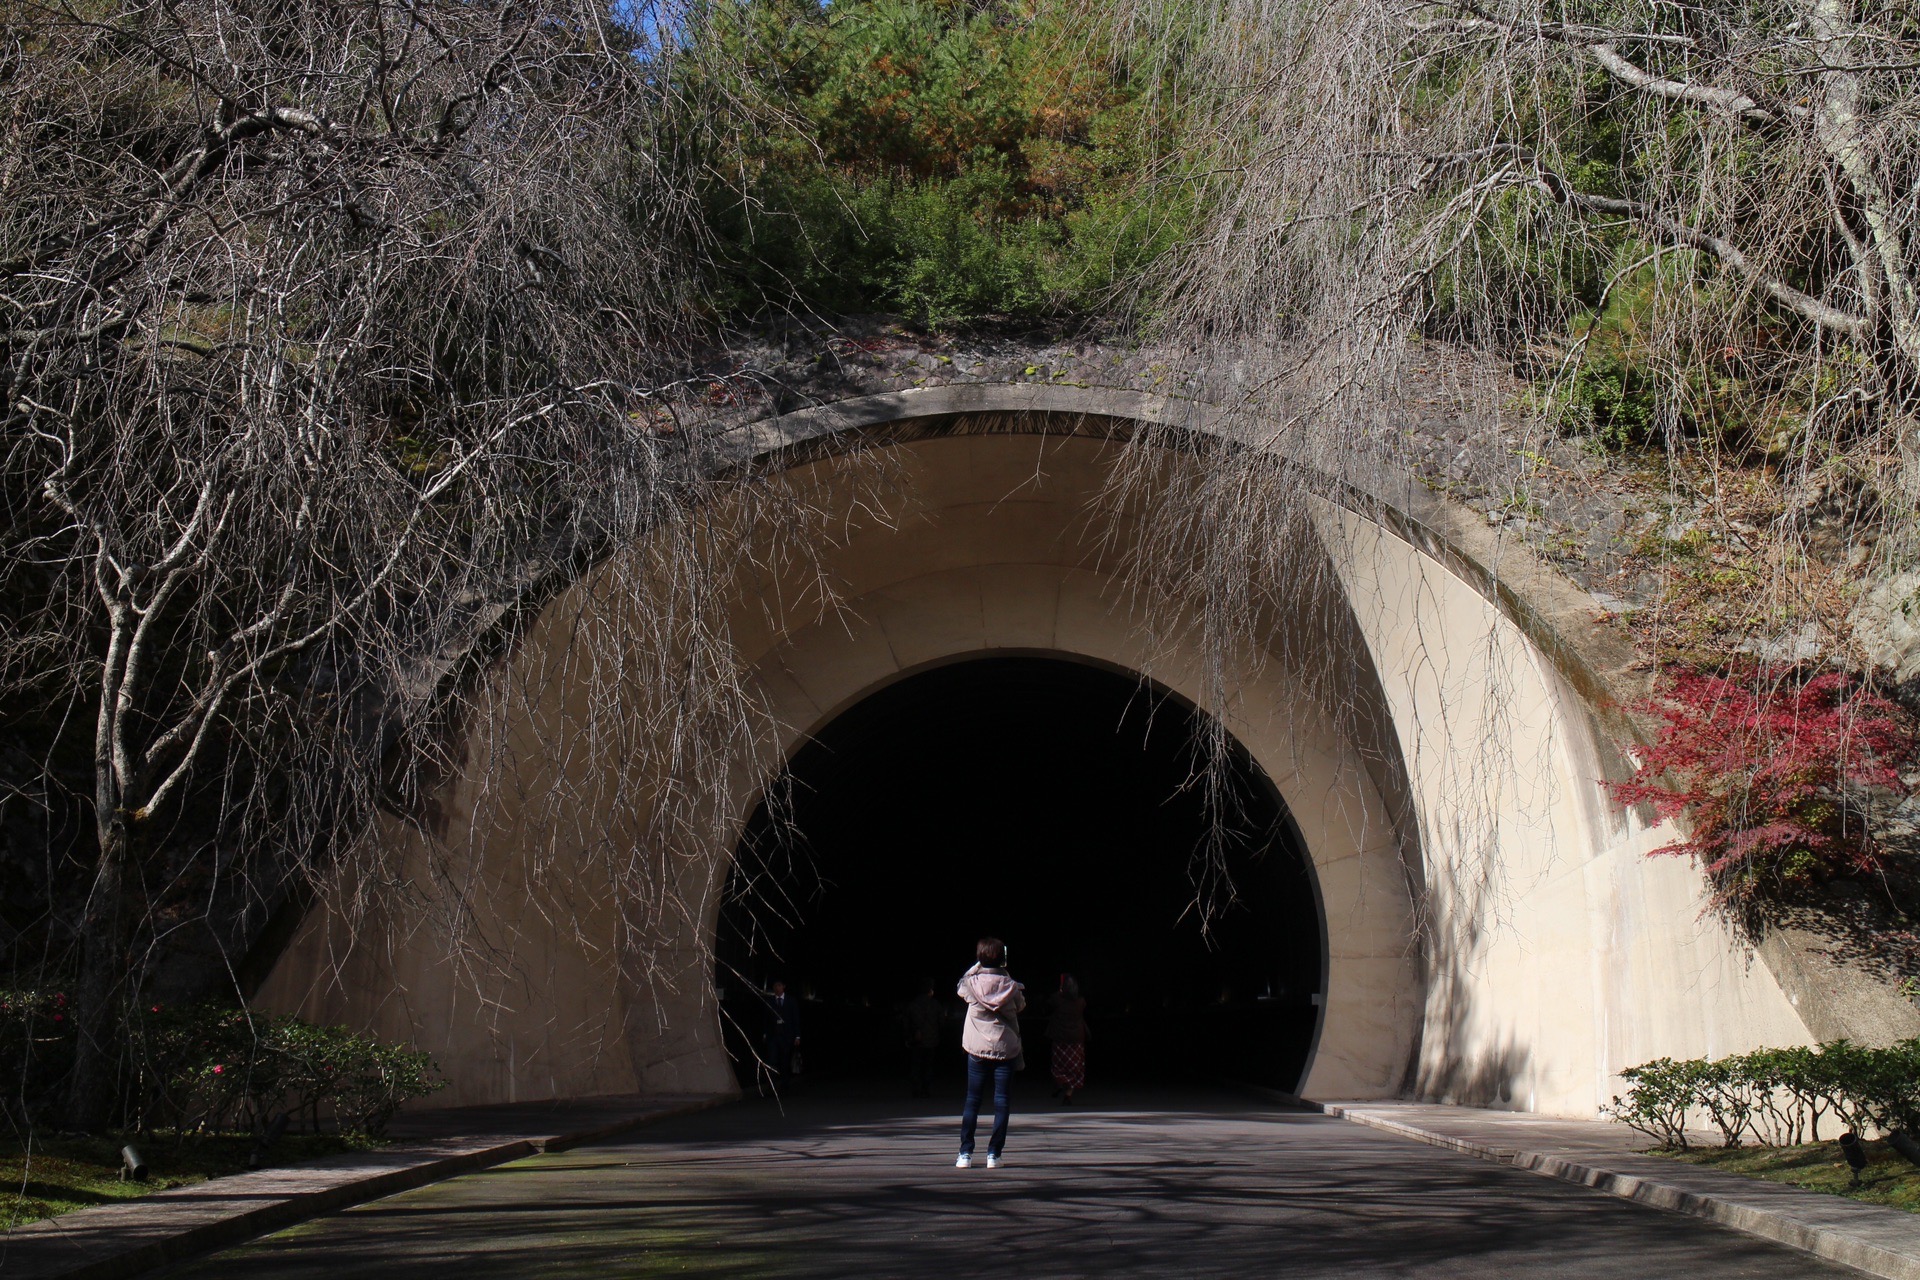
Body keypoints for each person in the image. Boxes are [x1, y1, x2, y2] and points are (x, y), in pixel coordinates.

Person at [955, 937, 1024, 1169]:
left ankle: (965, 1154)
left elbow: (960, 984)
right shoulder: (1011, 986)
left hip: (976, 1050)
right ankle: (994, 1155)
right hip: (1005, 1049)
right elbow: (1021, 1005)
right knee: (1002, 1102)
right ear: (1002, 959)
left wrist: (978, 965)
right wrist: (1003, 972)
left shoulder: (971, 985)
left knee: (972, 1101)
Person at [1047, 973, 1088, 1104]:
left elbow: (1048, 1005)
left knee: (1059, 1065)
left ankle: (1059, 1084)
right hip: (1076, 1038)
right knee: (1075, 1067)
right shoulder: (1081, 1002)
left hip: (1060, 1037)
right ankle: (1068, 1094)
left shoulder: (1056, 999)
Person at [905, 978, 943, 1098]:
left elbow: (906, 1022)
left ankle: (916, 1090)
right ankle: (927, 1090)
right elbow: (941, 1022)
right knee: (928, 1065)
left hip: (916, 1039)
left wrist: (908, 1036)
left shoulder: (913, 1004)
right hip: (932, 1039)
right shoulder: (935, 1004)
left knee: (916, 1065)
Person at [764, 979, 802, 1087]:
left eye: (779, 985)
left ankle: (785, 1082)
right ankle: (773, 1083)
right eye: (775, 986)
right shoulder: (770, 1001)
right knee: (772, 1059)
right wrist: (765, 1033)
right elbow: (766, 1019)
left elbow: (795, 1018)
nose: (777, 988)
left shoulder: (790, 1001)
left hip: (786, 1036)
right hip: (774, 1035)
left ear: (783, 986)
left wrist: (797, 1036)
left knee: (785, 1059)